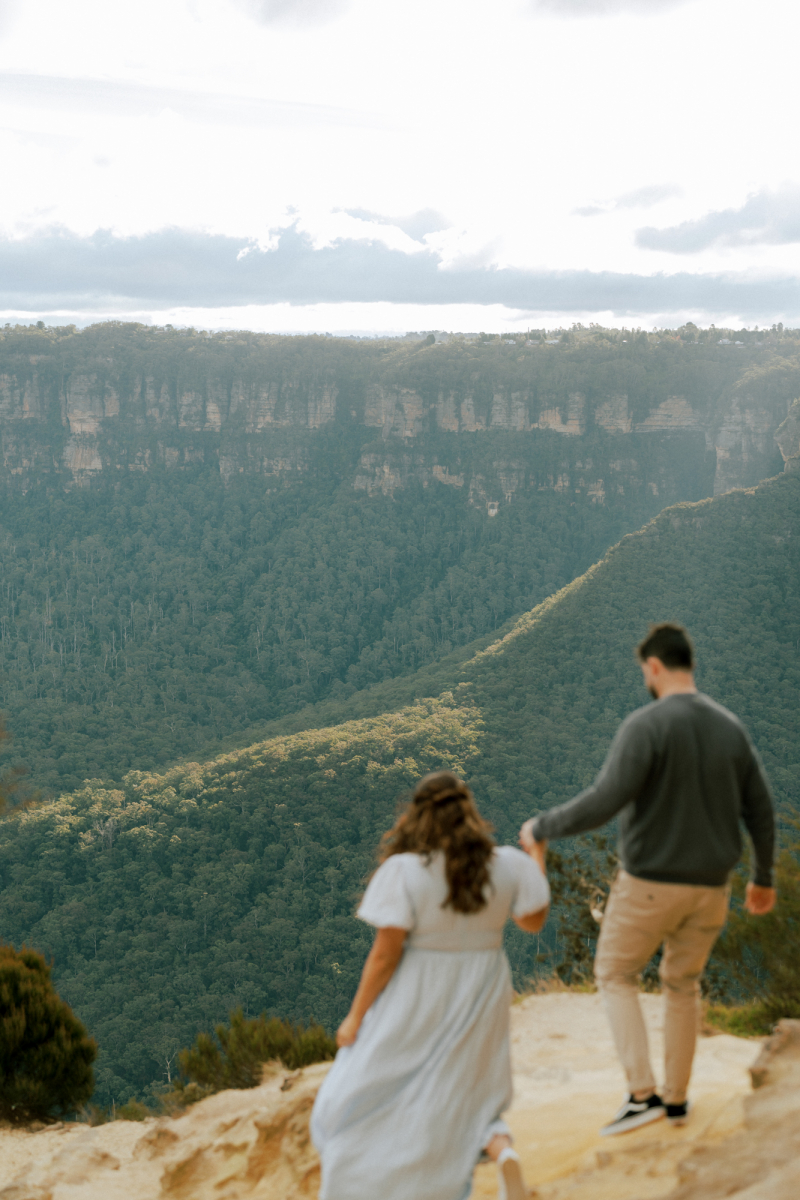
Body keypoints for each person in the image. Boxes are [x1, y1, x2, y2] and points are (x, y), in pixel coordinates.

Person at [520, 622, 776, 1137]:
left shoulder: (646, 725)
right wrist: (763, 876)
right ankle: (677, 1101)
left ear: (654, 667)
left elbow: (604, 799)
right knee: (683, 984)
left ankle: (643, 1095)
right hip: (712, 887)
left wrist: (542, 827)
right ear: (690, 664)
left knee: (615, 973)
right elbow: (761, 808)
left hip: (650, 883)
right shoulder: (730, 727)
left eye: (644, 670)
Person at [311, 770, 550, 1200]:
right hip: (484, 982)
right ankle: (501, 1150)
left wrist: (355, 1017)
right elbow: (532, 920)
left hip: (419, 988)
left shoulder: (404, 871)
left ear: (418, 815)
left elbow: (386, 954)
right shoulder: (508, 863)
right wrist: (538, 855)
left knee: (373, 1083)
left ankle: (364, 1179)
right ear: (469, 813)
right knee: (472, 1083)